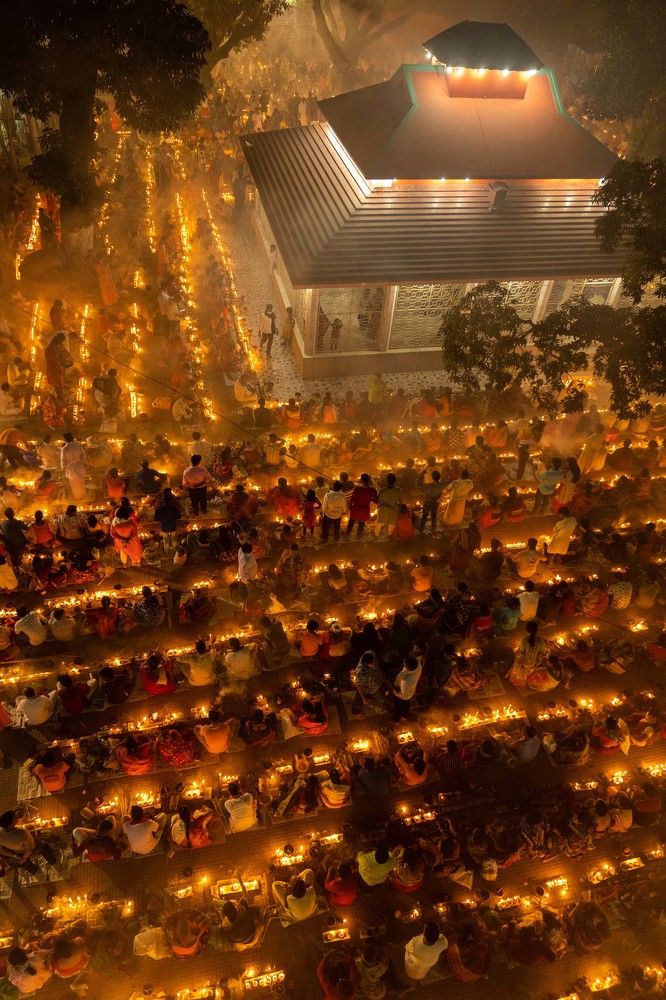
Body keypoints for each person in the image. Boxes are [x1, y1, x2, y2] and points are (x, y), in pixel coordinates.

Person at [392, 655, 422, 721]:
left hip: (402, 695)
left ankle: (397, 718)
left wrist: (391, 686)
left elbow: (401, 692)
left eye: (404, 664)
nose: (403, 664)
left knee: (398, 705)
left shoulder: (406, 681)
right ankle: (405, 715)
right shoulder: (418, 666)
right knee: (407, 702)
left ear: (408, 667)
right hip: (410, 692)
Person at [60, 432, 87, 500]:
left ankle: (78, 497)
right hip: (79, 467)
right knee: (81, 482)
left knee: (74, 484)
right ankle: (83, 496)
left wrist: (63, 467)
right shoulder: (78, 446)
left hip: (70, 469)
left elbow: (63, 460)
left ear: (65, 440)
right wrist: (82, 463)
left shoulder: (64, 449)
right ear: (72, 438)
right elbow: (83, 457)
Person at [154, 487, 182, 552]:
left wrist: (162, 518)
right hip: (173, 526)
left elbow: (156, 519)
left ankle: (167, 550)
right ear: (171, 500)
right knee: (174, 539)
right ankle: (174, 549)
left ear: (163, 500)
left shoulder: (159, 509)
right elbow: (178, 517)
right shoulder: (174, 508)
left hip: (164, 527)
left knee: (165, 539)